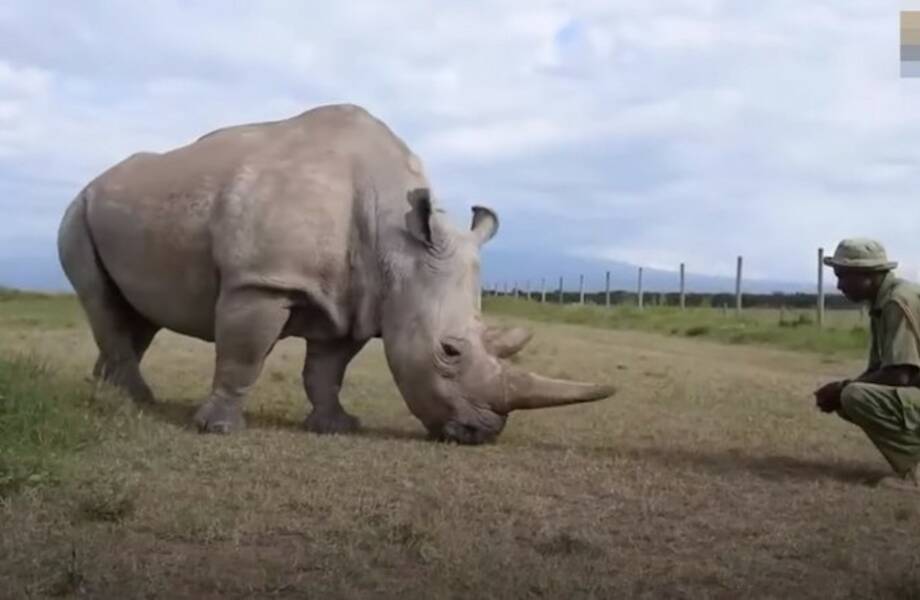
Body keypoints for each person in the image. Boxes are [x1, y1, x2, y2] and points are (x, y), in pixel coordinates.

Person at [815, 238, 920, 492]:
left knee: (853, 395)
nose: (839, 285)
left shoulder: (897, 302)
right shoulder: (883, 302)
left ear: (868, 275)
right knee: (849, 396)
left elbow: (901, 375)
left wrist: (842, 388)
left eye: (843, 276)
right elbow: (880, 370)